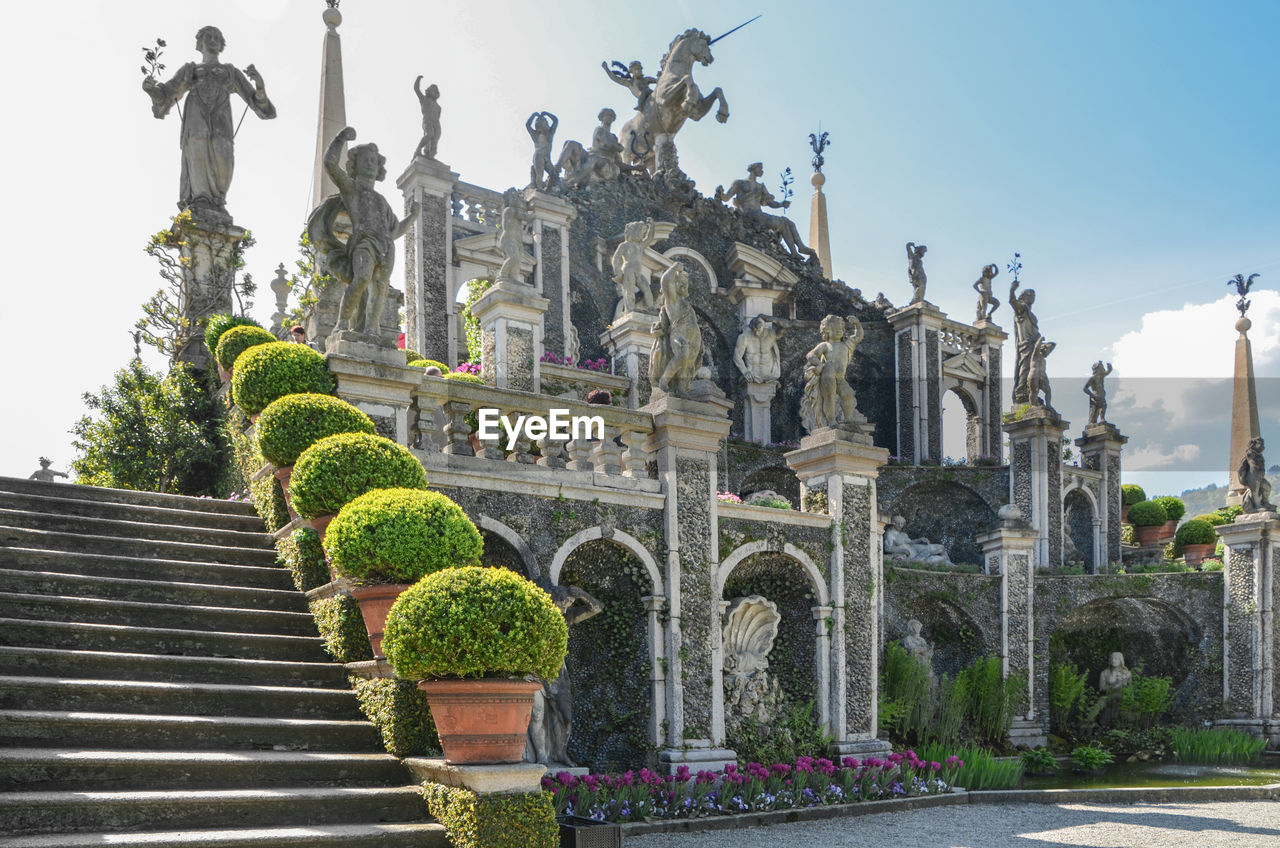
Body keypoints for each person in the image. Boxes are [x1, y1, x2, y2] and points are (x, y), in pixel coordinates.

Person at [142, 26, 276, 221]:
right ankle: (200, 199)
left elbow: (257, 103)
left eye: (217, 37)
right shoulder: (191, 70)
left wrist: (260, 86)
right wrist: (151, 90)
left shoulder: (230, 72)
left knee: (224, 154)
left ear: (222, 44)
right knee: (198, 150)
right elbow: (167, 93)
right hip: (196, 115)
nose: (213, 40)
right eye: (208, 37)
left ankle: (217, 199)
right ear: (199, 43)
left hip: (221, 117)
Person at [413, 77, 441, 160]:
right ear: (429, 91)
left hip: (436, 123)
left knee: (435, 140)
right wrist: (418, 79)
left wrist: (436, 125)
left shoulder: (439, 107)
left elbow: (438, 117)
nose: (434, 91)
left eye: (436, 90)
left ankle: (430, 155)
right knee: (429, 135)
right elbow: (416, 89)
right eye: (432, 89)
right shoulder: (424, 99)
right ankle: (418, 149)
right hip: (427, 120)